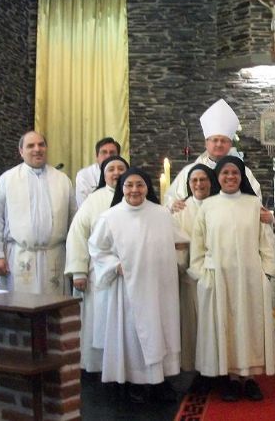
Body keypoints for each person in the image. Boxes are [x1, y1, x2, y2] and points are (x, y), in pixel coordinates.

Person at [88, 167, 183, 403]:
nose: (134, 190)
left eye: (139, 185)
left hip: (159, 287)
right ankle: (132, 381)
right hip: (126, 288)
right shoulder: (110, 217)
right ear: (121, 188)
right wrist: (114, 265)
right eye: (129, 185)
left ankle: (159, 381)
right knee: (131, 334)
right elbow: (97, 249)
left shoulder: (161, 214)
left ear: (147, 188)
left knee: (160, 330)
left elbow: (181, 241)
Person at [189, 156, 275, 402]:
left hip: (250, 277)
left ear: (241, 176)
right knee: (223, 326)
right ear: (218, 177)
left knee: (249, 326)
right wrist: (200, 275)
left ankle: (248, 378)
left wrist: (267, 272)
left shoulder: (253, 203)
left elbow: (266, 241)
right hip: (217, 278)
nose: (230, 177)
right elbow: (197, 244)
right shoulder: (208, 206)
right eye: (225, 173)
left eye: (235, 173)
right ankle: (228, 378)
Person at [0, 131, 76, 295]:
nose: (37, 149)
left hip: (55, 258)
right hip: (19, 257)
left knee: (54, 312)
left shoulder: (62, 180)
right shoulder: (8, 179)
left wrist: (76, 258)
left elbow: (74, 220)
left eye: (41, 145)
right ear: (21, 151)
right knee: (19, 312)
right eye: (31, 146)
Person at [64, 155, 129, 373]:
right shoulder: (94, 199)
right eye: (111, 169)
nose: (117, 172)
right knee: (98, 321)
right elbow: (77, 234)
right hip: (100, 273)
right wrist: (78, 271)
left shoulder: (136, 196)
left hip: (130, 273)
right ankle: (99, 367)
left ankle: (125, 366)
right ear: (104, 174)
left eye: (121, 168)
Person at [165, 99, 266, 220]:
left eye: (223, 140)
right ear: (206, 143)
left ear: (230, 144)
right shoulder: (190, 171)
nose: (219, 144)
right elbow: (171, 201)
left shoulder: (242, 172)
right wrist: (172, 204)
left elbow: (256, 203)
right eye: (214, 140)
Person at [172, 164, 219, 373]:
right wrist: (185, 267)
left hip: (218, 275)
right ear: (188, 184)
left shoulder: (221, 205)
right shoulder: (181, 210)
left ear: (211, 182)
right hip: (190, 277)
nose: (199, 184)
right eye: (194, 180)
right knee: (193, 326)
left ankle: (220, 368)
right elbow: (176, 244)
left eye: (203, 179)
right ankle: (196, 372)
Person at [75, 138, 121, 207]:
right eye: (104, 152)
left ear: (118, 157)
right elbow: (83, 206)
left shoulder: (123, 173)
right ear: (97, 156)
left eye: (112, 153)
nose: (108, 156)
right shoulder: (84, 175)